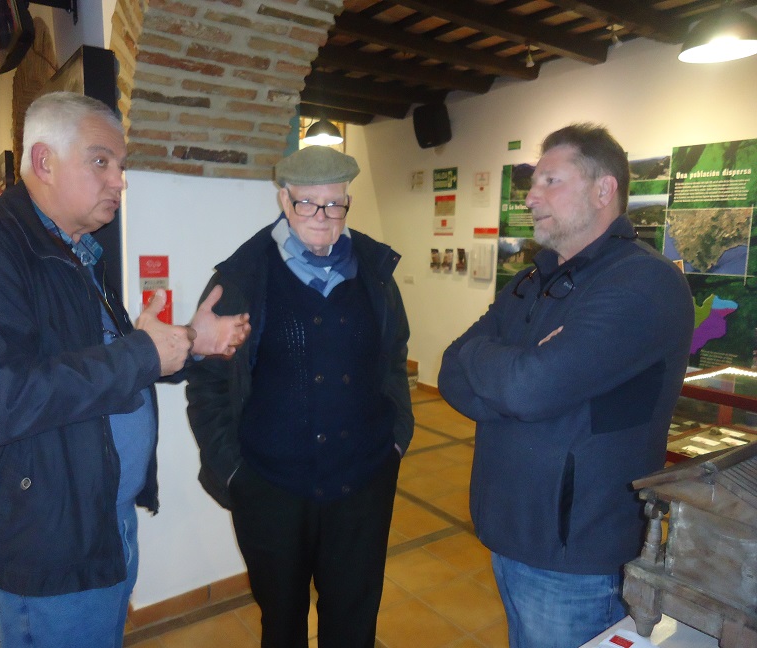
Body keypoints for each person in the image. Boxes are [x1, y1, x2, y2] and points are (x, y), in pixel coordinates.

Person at [0, 91, 251, 648]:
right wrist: (143, 352)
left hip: (98, 518)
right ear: (44, 161)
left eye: (121, 166)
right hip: (46, 536)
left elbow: (96, 366)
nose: (119, 180)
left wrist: (187, 343)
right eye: (102, 162)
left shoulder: (75, 250)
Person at [438, 124, 694, 648]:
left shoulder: (643, 283)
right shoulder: (535, 277)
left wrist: (504, 367)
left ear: (604, 191)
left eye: (550, 181)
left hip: (575, 555)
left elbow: (528, 389)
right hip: (509, 530)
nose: (531, 196)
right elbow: (449, 371)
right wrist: (519, 366)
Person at [185, 145, 413, 648]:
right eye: (308, 203)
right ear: (284, 200)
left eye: (335, 204)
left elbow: (394, 356)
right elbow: (207, 381)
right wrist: (232, 471)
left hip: (362, 482)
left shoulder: (375, 272)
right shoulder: (242, 278)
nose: (323, 217)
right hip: (272, 488)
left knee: (353, 624)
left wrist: (397, 439)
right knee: (281, 624)